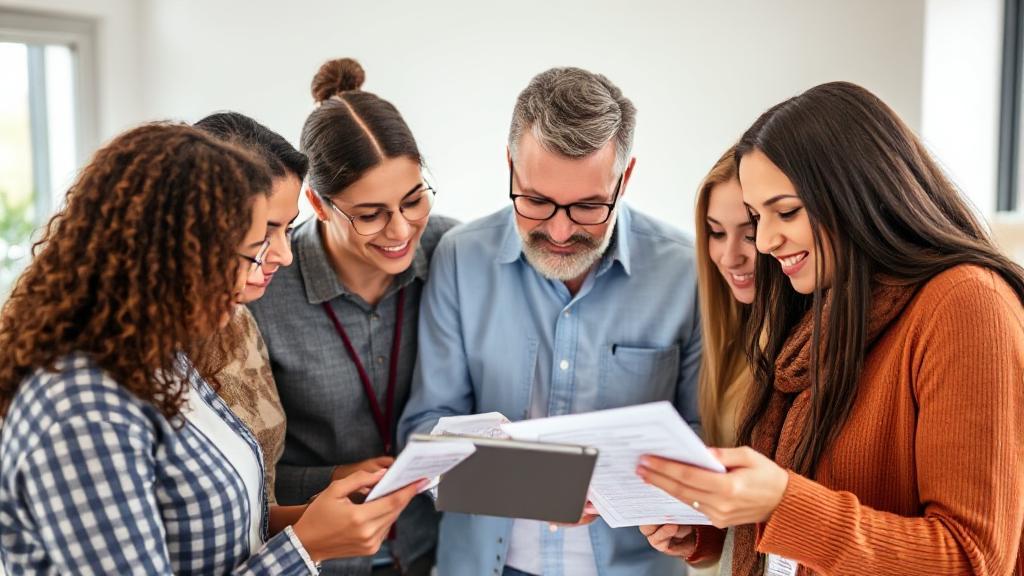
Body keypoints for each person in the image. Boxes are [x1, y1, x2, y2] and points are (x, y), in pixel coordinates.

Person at [636, 81, 1024, 575]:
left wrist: (781, 505)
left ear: (858, 190)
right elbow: (822, 503)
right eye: (758, 217)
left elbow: (971, 559)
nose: (768, 241)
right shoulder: (825, 308)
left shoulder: (968, 304)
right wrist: (707, 523)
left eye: (787, 212)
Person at [0, 123, 422, 574]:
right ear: (169, 254)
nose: (270, 262)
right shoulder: (82, 410)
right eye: (253, 248)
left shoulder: (165, 359)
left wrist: (314, 523)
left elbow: (216, 534)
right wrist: (305, 547)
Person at [397, 66, 702, 576]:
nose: (559, 230)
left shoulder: (685, 273)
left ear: (624, 180)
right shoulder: (459, 258)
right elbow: (424, 436)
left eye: (587, 206)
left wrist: (686, 511)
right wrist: (539, 485)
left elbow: (700, 436)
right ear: (510, 166)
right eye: (536, 201)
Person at [248, 58, 456, 576]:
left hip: (441, 553)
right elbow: (238, 479)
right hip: (320, 562)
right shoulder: (262, 291)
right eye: (370, 215)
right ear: (317, 203)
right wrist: (335, 476)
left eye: (414, 200)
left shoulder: (456, 253)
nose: (400, 229)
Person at [640, 146, 755, 575]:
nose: (730, 256)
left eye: (750, 231)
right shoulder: (727, 338)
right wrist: (697, 534)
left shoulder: (807, 344)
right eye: (716, 233)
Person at [193, 111, 305, 520]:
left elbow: (250, 514)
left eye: (289, 229)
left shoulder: (237, 319)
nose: (285, 255)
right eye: (266, 232)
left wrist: (324, 517)